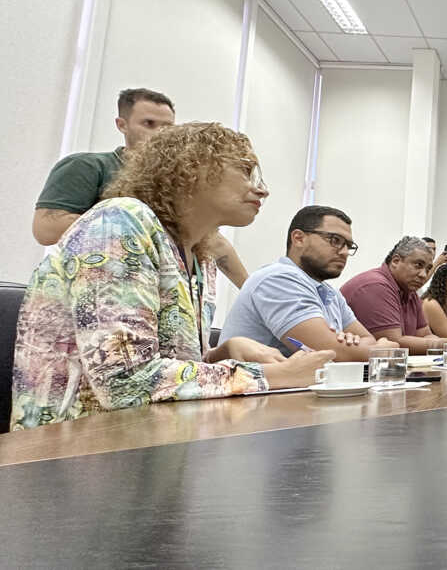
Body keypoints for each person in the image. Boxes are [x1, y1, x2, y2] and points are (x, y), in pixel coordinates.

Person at [10, 123, 334, 430]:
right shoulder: (119, 222)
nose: (261, 189)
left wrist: (223, 351)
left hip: (149, 441)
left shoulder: (199, 257)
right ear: (191, 169)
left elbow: (167, 371)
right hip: (69, 451)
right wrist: (274, 376)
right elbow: (125, 383)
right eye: (246, 170)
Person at [32, 88, 250, 287]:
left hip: (162, 292)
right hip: (97, 287)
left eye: (168, 127)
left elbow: (213, 242)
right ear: (122, 124)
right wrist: (137, 228)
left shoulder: (177, 183)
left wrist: (251, 292)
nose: (160, 134)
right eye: (149, 124)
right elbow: (45, 229)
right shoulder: (89, 166)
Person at [220, 206, 398, 361]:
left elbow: (368, 341)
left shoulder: (329, 292)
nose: (344, 252)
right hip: (254, 396)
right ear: (298, 238)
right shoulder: (278, 279)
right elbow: (332, 353)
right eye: (335, 240)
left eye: (348, 246)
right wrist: (377, 347)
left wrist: (365, 347)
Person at [341, 237, 447, 354]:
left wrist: (442, 344)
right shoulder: (375, 285)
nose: (423, 275)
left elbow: (425, 334)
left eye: (428, 269)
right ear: (396, 261)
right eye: (418, 265)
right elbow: (395, 343)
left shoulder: (409, 291)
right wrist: (445, 344)